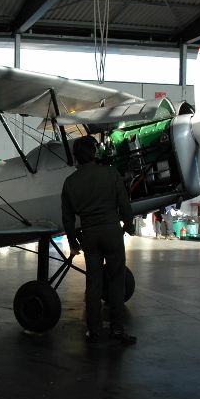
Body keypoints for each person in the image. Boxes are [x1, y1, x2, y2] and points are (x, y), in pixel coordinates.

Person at [61, 135, 137, 344]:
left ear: (76, 157)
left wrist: (73, 243)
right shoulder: (110, 173)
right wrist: (129, 226)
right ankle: (118, 330)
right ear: (94, 153)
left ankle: (94, 330)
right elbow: (124, 203)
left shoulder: (70, 182)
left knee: (93, 283)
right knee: (115, 281)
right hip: (112, 232)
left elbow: (67, 217)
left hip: (90, 236)